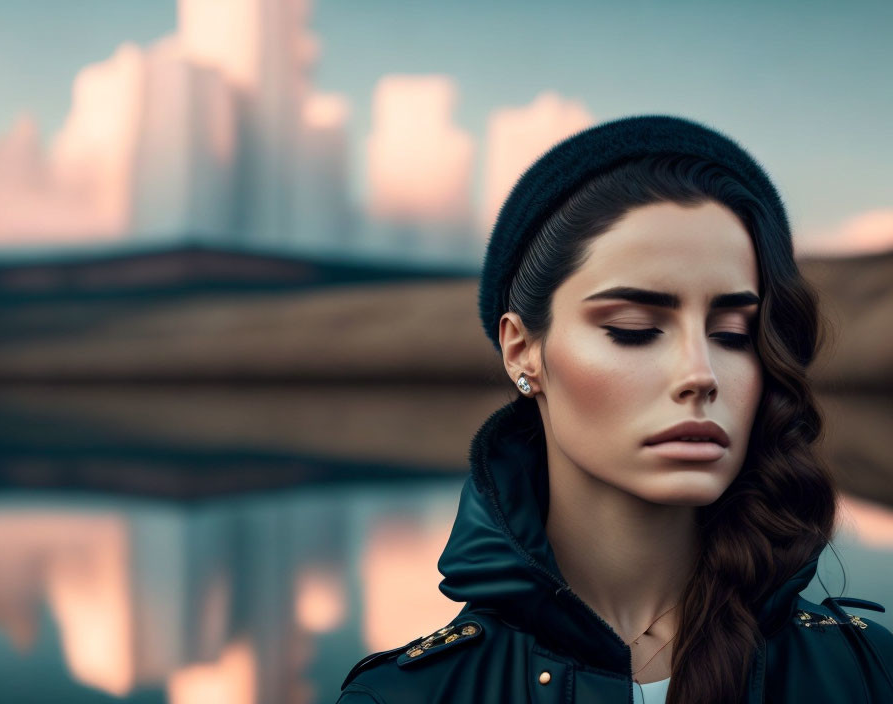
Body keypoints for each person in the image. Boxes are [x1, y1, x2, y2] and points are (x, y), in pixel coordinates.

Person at [336, 115, 893, 703]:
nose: (699, 375)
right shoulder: (405, 696)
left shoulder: (868, 673)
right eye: (634, 329)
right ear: (522, 350)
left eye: (733, 334)